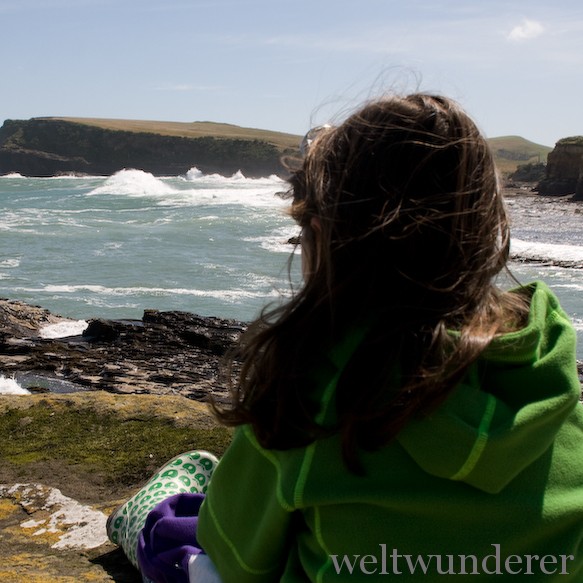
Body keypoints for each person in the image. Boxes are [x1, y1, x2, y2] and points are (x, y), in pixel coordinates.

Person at [108, 93, 583, 581]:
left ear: (321, 232)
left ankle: (148, 512)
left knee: (173, 540)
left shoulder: (313, 388)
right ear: (487, 224)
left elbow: (238, 561)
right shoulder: (545, 367)